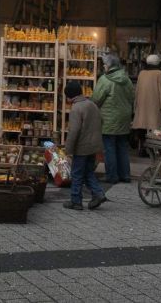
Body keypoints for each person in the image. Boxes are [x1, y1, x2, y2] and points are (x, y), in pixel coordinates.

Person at [63, 80, 107, 211]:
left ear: (70, 96)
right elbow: (102, 120)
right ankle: (98, 194)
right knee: (88, 172)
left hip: (82, 147)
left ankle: (76, 201)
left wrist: (68, 149)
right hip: (94, 145)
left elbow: (74, 131)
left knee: (76, 174)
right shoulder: (91, 104)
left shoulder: (76, 108)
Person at [92, 52, 135, 185]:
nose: (103, 66)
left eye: (104, 64)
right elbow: (132, 97)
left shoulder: (105, 80)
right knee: (122, 146)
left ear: (109, 66)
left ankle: (111, 176)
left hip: (109, 118)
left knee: (109, 147)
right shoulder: (127, 79)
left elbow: (96, 99)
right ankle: (125, 175)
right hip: (124, 117)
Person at [132, 54, 161, 155]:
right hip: (154, 105)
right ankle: (152, 149)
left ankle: (142, 148)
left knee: (142, 127)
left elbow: (137, 89)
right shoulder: (159, 73)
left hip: (142, 104)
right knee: (154, 128)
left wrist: (135, 104)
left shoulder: (142, 73)